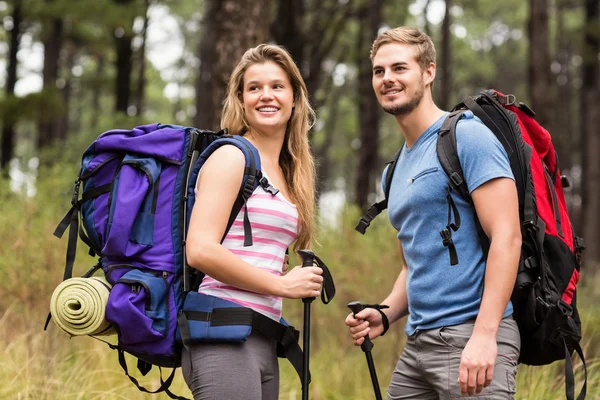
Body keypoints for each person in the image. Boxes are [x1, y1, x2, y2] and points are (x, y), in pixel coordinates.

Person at [345, 27, 522, 399]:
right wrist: (385, 313)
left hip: (470, 336)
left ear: (428, 72)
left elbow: (507, 236)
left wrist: (485, 336)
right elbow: (414, 264)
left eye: (399, 68)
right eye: (379, 71)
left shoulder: (468, 137)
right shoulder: (393, 172)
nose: (388, 79)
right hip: (419, 344)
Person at [184, 44, 323, 400]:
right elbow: (199, 250)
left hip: (261, 335)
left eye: (277, 86)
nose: (267, 96)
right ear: (241, 100)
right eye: (255, 88)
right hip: (221, 333)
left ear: (294, 98)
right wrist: (283, 286)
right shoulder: (232, 156)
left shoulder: (287, 172)